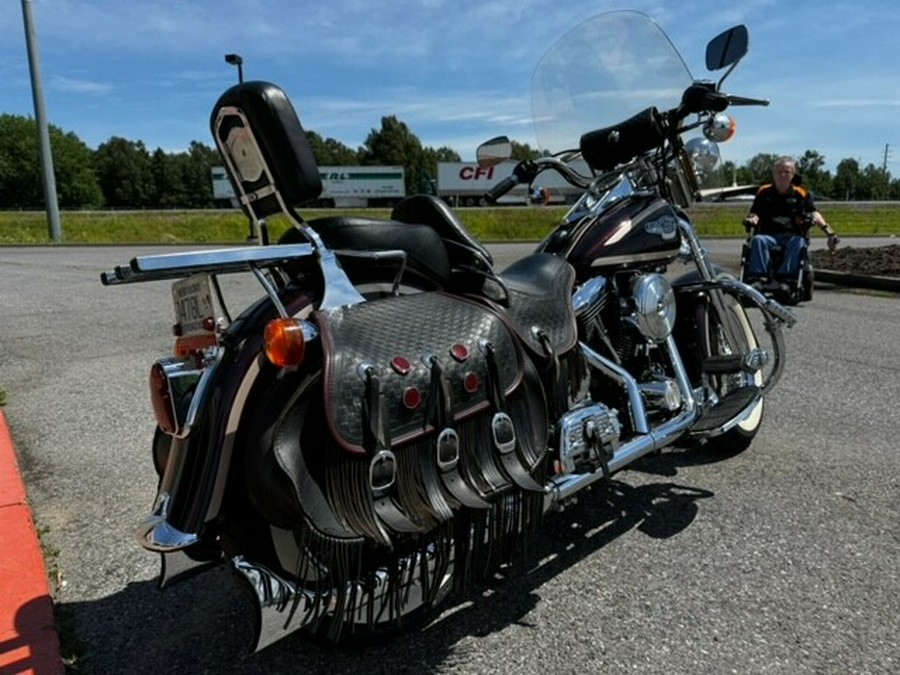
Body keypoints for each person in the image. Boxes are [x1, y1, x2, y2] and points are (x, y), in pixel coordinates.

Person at [743, 156, 839, 289]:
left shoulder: (801, 194)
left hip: (791, 235)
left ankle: (785, 280)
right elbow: (754, 213)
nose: (783, 175)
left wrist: (830, 233)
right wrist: (752, 218)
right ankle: (758, 279)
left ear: (793, 175)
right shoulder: (763, 192)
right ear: (774, 174)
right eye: (779, 171)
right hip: (768, 235)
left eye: (787, 172)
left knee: (798, 242)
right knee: (758, 240)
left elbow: (814, 213)